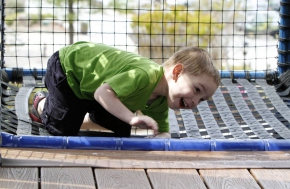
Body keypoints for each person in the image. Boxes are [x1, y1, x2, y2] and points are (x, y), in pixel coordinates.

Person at [29, 41, 220, 138]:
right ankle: (42, 104)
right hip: (69, 70)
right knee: (61, 130)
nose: (195, 102)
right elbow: (102, 93)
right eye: (197, 90)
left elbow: (162, 130)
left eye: (202, 99)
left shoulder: (161, 100)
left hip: (94, 90)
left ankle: (81, 114)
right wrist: (132, 117)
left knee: (122, 131)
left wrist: (163, 138)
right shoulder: (145, 76)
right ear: (177, 72)